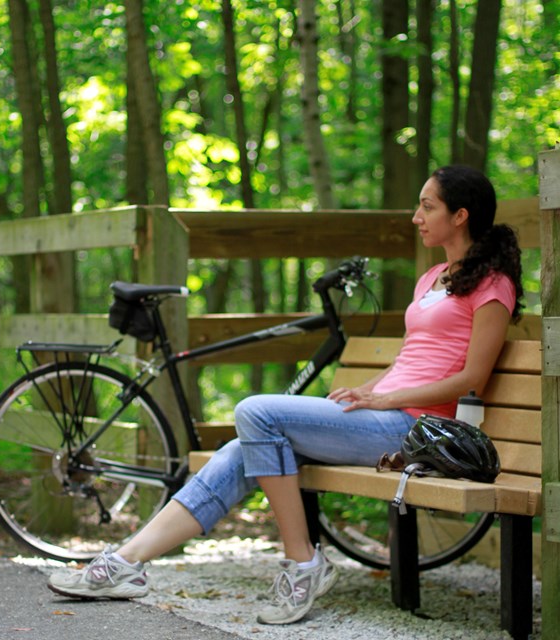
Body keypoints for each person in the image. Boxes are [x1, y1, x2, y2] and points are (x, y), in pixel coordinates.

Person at [47, 165, 524, 625]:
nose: (416, 217)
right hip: (384, 412)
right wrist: (370, 388)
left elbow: (470, 375)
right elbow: (412, 356)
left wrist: (385, 400)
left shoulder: (493, 285)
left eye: (427, 207)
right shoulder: (431, 278)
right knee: (239, 448)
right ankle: (128, 562)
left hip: (414, 430)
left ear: (460, 215)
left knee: (254, 412)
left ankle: (302, 563)